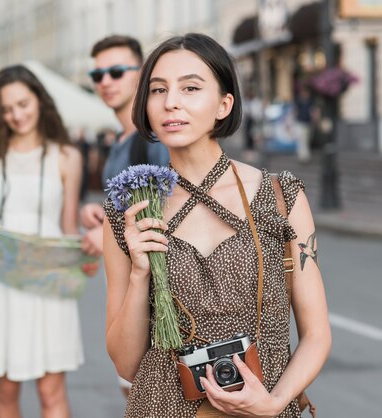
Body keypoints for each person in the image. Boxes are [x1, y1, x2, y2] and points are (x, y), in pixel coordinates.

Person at [102, 33, 331, 417]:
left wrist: (273, 404)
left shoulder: (280, 196)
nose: (170, 101)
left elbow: (316, 334)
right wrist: (142, 271)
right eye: (158, 90)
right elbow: (126, 365)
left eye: (190, 87)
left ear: (224, 104)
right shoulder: (131, 210)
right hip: (163, 407)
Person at [0, 65, 84, 418]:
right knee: (5, 390)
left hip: (47, 278)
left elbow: (68, 227)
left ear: (39, 100)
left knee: (51, 391)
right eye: (7, 108)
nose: (16, 115)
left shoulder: (66, 157)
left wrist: (86, 251)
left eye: (23, 104)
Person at [80, 34, 170, 397]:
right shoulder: (121, 139)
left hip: (153, 294)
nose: (105, 82)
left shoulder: (153, 137)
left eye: (116, 71)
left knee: (145, 395)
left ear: (141, 74)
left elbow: (166, 209)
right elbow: (127, 209)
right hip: (126, 288)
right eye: (97, 75)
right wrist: (103, 218)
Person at [293, 88, 316, 162]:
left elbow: (312, 111)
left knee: (306, 139)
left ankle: (305, 155)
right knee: (301, 139)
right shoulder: (299, 101)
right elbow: (296, 111)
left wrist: (313, 120)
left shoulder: (310, 102)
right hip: (300, 122)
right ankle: (302, 155)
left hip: (307, 123)